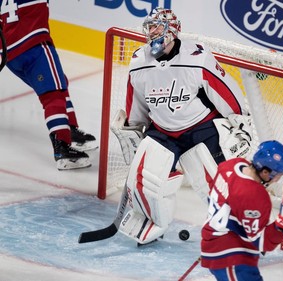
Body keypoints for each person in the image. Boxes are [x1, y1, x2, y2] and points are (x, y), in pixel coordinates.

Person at [114, 7, 250, 245]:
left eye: (158, 27)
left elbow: (225, 91)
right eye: (150, 27)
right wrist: (134, 128)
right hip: (162, 130)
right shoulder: (139, 62)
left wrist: (240, 121)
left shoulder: (197, 57)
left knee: (215, 184)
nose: (152, 32)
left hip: (201, 128)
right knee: (145, 181)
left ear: (173, 31)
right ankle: (152, 224)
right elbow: (136, 100)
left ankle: (233, 227)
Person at [0, 0, 96, 170]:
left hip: (10, 52)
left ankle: (69, 129)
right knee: (53, 92)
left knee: (59, 81)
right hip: (33, 42)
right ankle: (62, 149)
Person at [200, 140, 283, 281]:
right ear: (265, 172)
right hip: (231, 256)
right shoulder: (255, 196)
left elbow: (228, 197)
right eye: (277, 175)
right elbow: (260, 242)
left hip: (216, 241)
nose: (277, 180)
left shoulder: (231, 165)